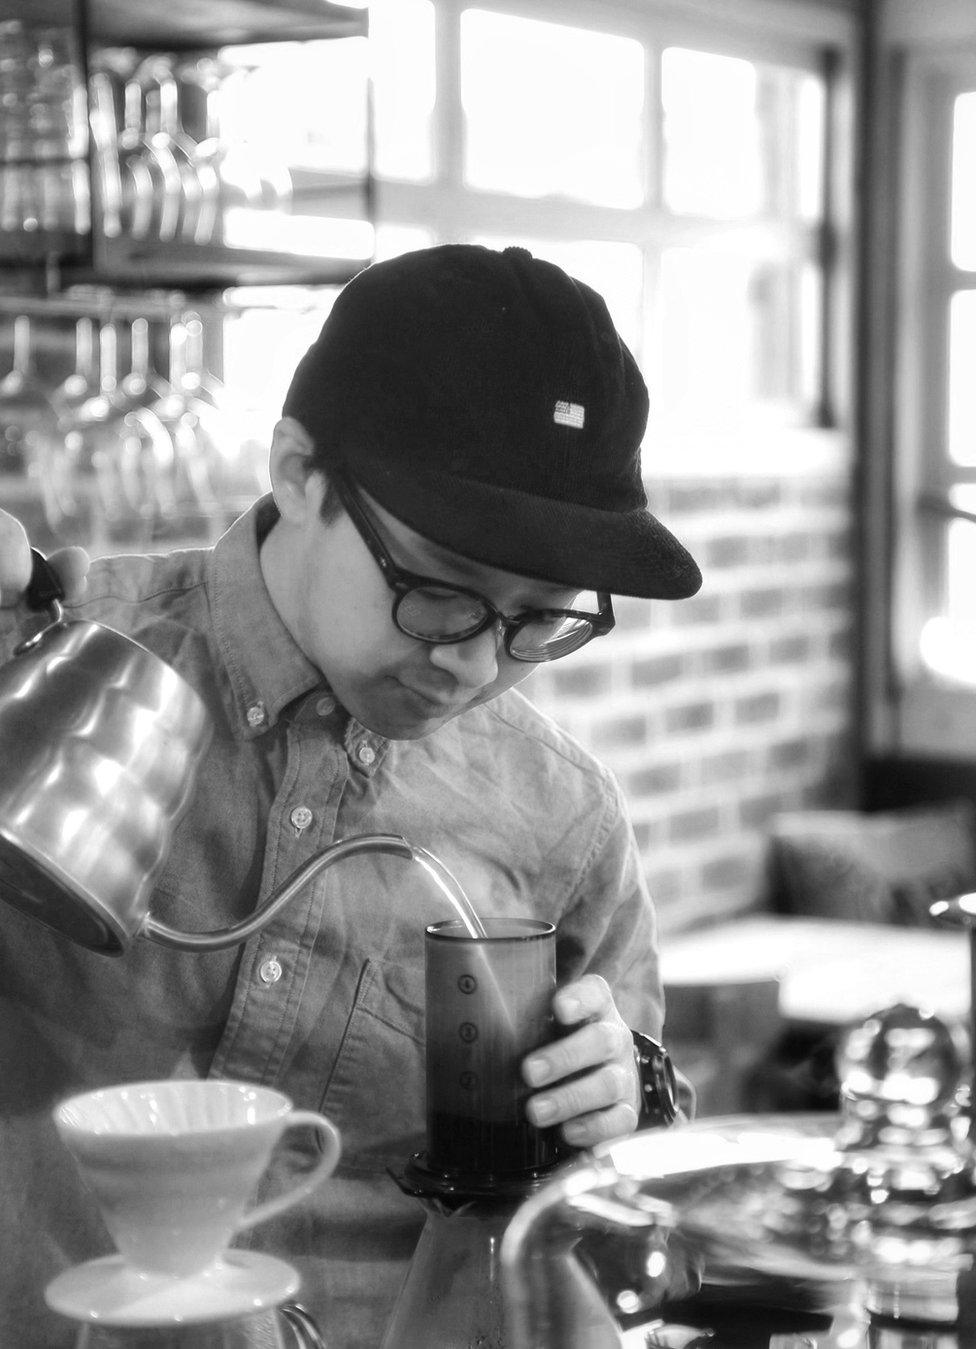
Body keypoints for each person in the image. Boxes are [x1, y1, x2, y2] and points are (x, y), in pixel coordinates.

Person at [0, 244, 702, 1347]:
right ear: (296, 472)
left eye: (541, 618)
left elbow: (624, 1235)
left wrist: (627, 1103)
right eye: (437, 592)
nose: (475, 664)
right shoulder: (53, 675)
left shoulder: (560, 820)